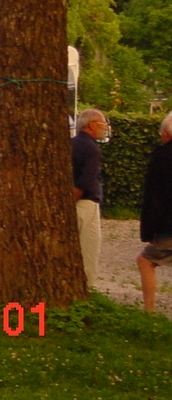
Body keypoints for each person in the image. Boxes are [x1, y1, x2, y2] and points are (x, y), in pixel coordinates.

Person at [138, 111, 172, 313]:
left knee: (146, 261)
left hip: (169, 226)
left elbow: (155, 197)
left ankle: (149, 311)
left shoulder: (162, 157)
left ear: (166, 134)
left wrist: (149, 231)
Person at [72, 108, 108, 289]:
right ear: (92, 125)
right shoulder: (92, 148)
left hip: (72, 201)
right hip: (86, 203)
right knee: (88, 249)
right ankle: (86, 287)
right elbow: (87, 179)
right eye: (102, 124)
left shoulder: (71, 143)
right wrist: (74, 198)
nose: (105, 128)